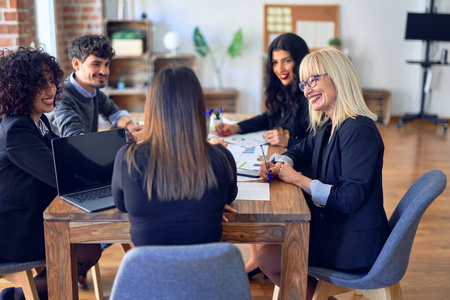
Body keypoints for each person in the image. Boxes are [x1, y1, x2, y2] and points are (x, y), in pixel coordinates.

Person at [257, 48, 391, 299]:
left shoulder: (359, 130)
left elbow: (349, 198)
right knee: (272, 250)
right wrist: (279, 163)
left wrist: (298, 179)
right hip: (336, 229)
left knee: (270, 257)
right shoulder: (330, 124)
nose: (307, 90)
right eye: (304, 83)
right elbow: (299, 150)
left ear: (338, 77)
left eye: (314, 79)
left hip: (354, 244)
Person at [0, 47, 101, 300]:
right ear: (20, 88)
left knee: (87, 246)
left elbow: (68, 156)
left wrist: (106, 166)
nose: (51, 90)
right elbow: (59, 176)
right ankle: (17, 295)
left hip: (33, 214)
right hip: (13, 228)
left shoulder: (37, 119)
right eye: (39, 84)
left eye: (51, 82)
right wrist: (102, 176)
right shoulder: (16, 129)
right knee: (87, 251)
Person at [112, 65, 238, 246]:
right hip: (205, 272)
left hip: (148, 272)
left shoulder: (127, 159)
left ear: (152, 108)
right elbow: (229, 195)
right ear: (197, 108)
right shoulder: (221, 158)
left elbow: (122, 205)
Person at [215, 33, 310, 148]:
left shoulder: (311, 95)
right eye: (275, 62)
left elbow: (320, 144)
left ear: (300, 61)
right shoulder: (287, 88)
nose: (279, 69)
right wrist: (236, 127)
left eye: (287, 61)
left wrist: (287, 141)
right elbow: (269, 117)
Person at [46, 34, 143, 141]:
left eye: (107, 64)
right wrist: (134, 137)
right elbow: (78, 142)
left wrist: (130, 124)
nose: (104, 71)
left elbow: (114, 113)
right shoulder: (60, 98)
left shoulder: (92, 91)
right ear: (77, 64)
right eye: (96, 64)